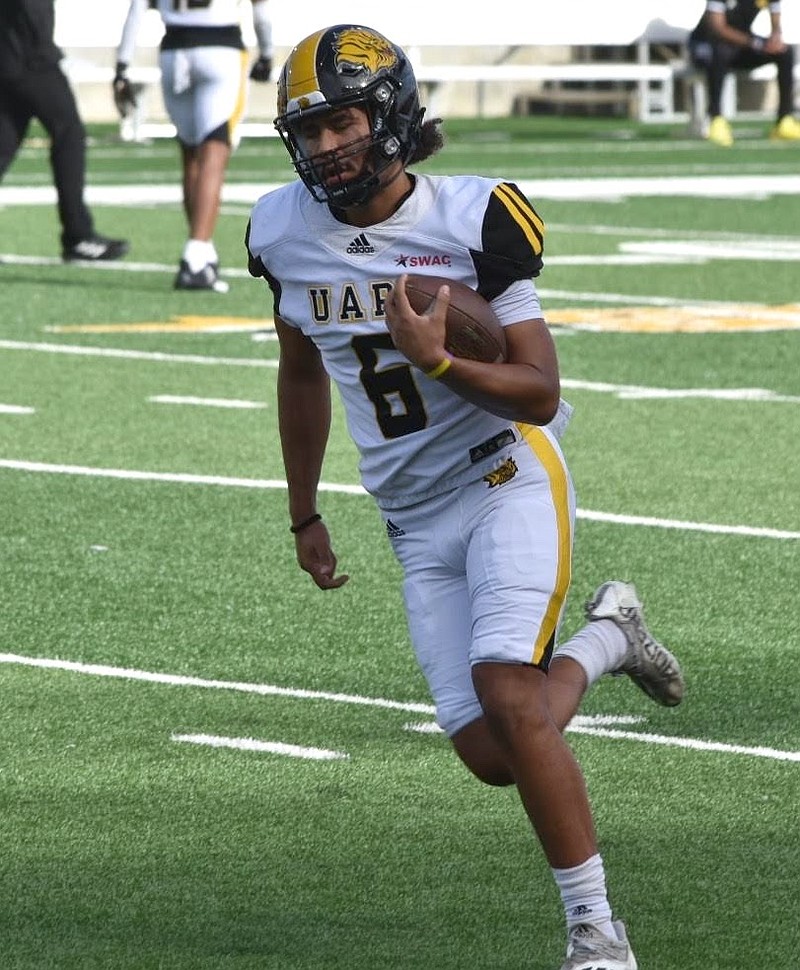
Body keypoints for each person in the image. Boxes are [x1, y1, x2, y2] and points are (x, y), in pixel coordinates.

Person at [246, 24, 685, 970]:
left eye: (342, 124)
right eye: (308, 133)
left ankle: (597, 935)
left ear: (393, 113)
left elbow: (540, 393)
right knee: (493, 750)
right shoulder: (280, 230)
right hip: (410, 515)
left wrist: (439, 356)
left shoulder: (474, 218)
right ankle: (613, 636)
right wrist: (304, 510)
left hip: (505, 473)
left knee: (509, 696)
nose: (326, 149)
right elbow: (300, 371)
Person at [114, 0, 274, 291]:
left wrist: (122, 66)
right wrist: (267, 53)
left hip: (174, 53)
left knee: (191, 155)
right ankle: (196, 255)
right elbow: (261, 11)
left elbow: (137, 9)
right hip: (221, 50)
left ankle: (203, 250)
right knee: (214, 151)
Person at [0, 0, 129, 262]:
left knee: (4, 141)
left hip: (11, 54)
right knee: (69, 133)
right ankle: (77, 234)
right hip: (30, 55)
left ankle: (77, 233)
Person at [689, 0, 800, 147]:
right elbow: (717, 28)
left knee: (784, 52)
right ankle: (715, 119)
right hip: (705, 45)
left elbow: (775, 12)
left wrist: (775, 38)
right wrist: (755, 43)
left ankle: (784, 121)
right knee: (719, 51)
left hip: (740, 46)